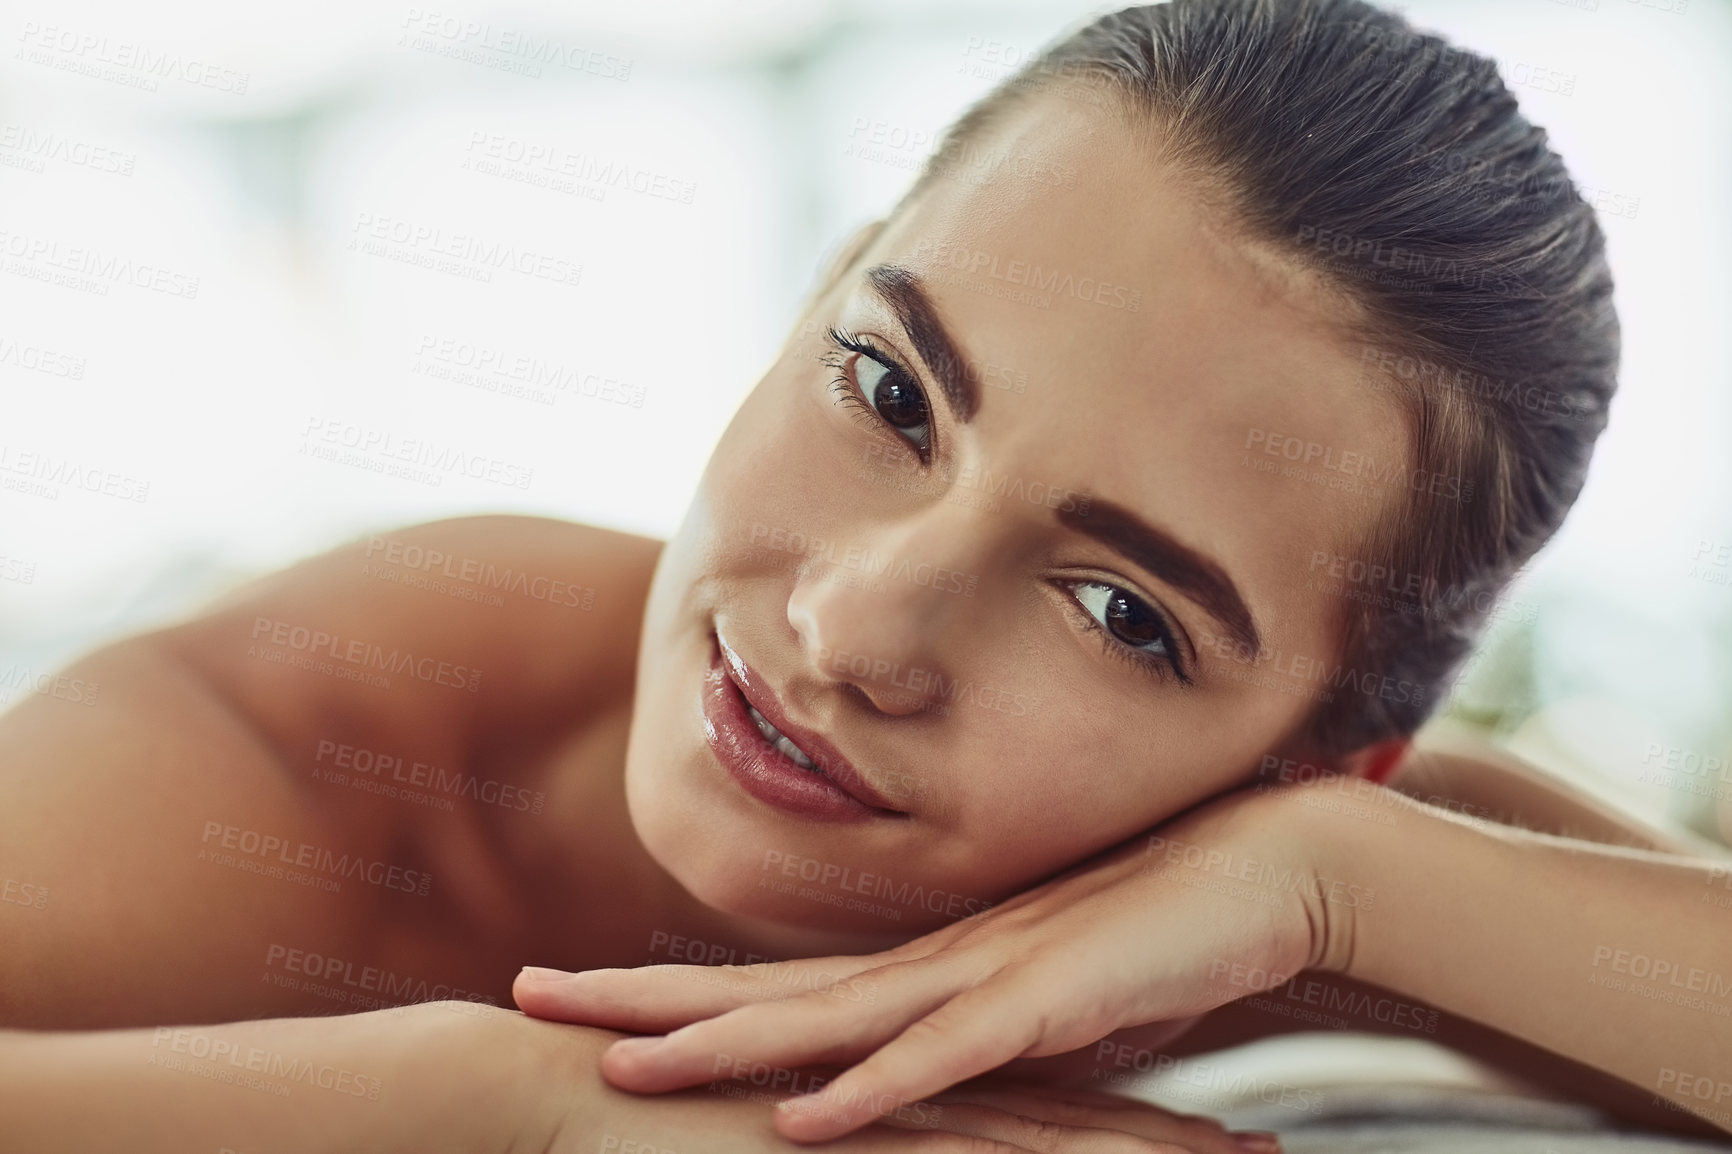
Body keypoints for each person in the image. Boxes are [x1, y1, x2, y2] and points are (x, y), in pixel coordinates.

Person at [2, 0, 1727, 1151]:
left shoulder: (1309, 890)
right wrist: (496, 1107)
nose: (853, 628)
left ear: (1304, 769)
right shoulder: (322, 763)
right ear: (812, 299)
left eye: (1125, 612)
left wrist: (1346, 880)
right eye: (892, 391)